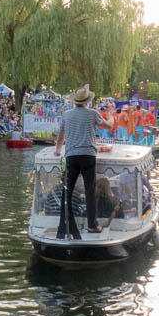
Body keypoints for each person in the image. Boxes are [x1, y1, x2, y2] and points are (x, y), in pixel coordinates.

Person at [54, 86, 114, 238]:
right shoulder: (93, 114)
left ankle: (65, 224)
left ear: (75, 101)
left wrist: (57, 150)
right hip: (88, 155)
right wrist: (112, 116)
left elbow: (61, 135)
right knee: (90, 190)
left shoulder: (66, 115)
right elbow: (108, 126)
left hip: (71, 155)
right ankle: (93, 225)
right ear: (87, 101)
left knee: (67, 190)